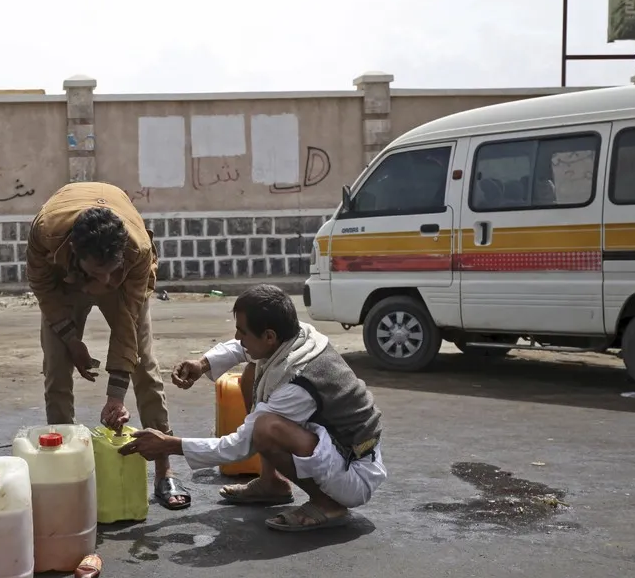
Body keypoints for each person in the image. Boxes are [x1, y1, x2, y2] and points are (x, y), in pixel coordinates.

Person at [118, 284, 386, 531]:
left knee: (265, 428)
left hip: (353, 475)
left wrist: (169, 445)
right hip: (342, 451)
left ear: (269, 336)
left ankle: (329, 505)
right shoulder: (296, 336)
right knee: (251, 372)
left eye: (242, 331)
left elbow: (238, 445)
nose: (237, 336)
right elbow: (243, 349)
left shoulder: (297, 382)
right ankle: (272, 483)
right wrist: (203, 364)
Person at [26, 181, 191, 510]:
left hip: (127, 281)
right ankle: (64, 471)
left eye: (109, 271)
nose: (102, 284)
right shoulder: (46, 233)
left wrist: (115, 397)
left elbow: (127, 325)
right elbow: (43, 287)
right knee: (57, 367)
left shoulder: (137, 250)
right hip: (64, 283)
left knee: (143, 365)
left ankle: (164, 469)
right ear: (75, 252)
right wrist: (71, 340)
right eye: (95, 273)